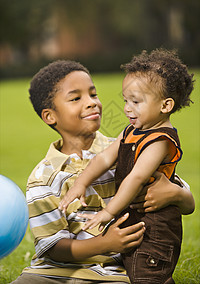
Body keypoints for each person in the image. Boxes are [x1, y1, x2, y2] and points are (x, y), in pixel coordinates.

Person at [12, 59, 194, 284]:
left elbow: (181, 196)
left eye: (93, 94)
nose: (91, 103)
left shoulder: (128, 150)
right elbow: (52, 247)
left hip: (115, 272)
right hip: (56, 273)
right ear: (50, 116)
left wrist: (177, 194)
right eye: (76, 98)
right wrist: (104, 243)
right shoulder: (43, 178)